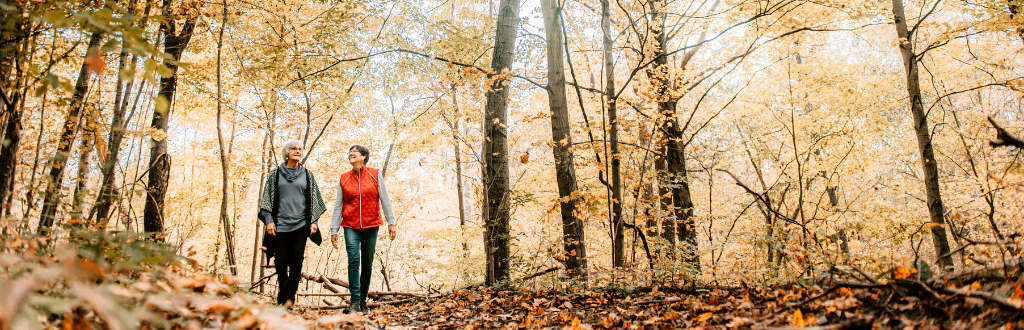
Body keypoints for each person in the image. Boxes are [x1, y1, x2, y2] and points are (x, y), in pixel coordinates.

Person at [258, 140, 326, 308]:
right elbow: (266, 198)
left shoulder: (307, 175)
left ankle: (288, 299)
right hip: (279, 225)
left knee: (296, 262)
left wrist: (314, 221)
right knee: (280, 261)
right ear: (286, 152)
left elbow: (315, 200)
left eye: (300, 149)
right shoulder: (276, 173)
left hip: (301, 226)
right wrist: (269, 220)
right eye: (293, 149)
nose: (297, 151)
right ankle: (283, 292)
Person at [330, 145, 397, 313]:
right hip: (350, 225)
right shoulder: (344, 178)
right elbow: (338, 205)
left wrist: (391, 221)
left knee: (367, 263)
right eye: (349, 151)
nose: (351, 153)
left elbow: (385, 199)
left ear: (364, 156)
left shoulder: (375, 174)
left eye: (355, 151)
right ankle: (354, 302)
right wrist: (334, 230)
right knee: (353, 260)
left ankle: (363, 300)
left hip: (371, 224)